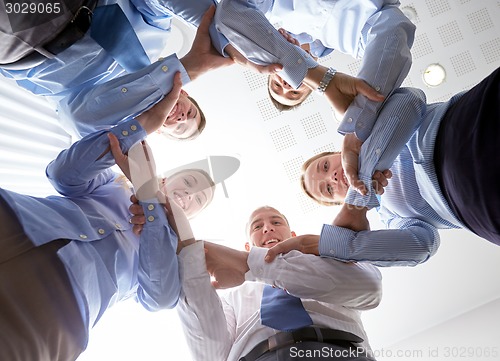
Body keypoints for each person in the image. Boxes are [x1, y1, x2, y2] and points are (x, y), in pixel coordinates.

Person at [0, 72, 214, 360]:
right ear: (167, 178)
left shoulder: (172, 254)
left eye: (198, 200)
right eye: (188, 183)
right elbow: (62, 175)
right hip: (16, 221)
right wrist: (136, 135)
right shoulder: (114, 182)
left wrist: (151, 205)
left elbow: (159, 297)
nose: (188, 195)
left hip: (56, 313)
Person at [265, 67, 500, 267]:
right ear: (338, 203)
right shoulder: (391, 216)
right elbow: (424, 246)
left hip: (467, 121)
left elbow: (411, 100)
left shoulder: (370, 126)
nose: (333, 177)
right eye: (328, 189)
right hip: (477, 203)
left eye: (325, 166)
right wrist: (339, 241)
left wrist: (364, 180)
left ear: (339, 152)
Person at [173, 206, 382, 360]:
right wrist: (190, 266)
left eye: (276, 222)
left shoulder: (327, 261)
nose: (267, 229)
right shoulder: (231, 296)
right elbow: (211, 353)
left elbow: (369, 288)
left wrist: (249, 265)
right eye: (257, 226)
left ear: (293, 235)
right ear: (247, 245)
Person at [0, 1, 233, 140]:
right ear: (185, 94)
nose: (182, 118)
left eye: (180, 127)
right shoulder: (158, 36)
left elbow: (79, 118)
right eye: (190, 114)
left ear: (159, 131)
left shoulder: (100, 125)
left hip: (17, 44)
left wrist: (192, 66)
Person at [214, 0, 413, 132]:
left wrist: (283, 51)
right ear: (310, 87)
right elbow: (393, 28)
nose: (286, 86)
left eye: (276, 86)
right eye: (294, 94)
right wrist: (357, 118)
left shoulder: (268, 12)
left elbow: (230, 11)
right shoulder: (355, 43)